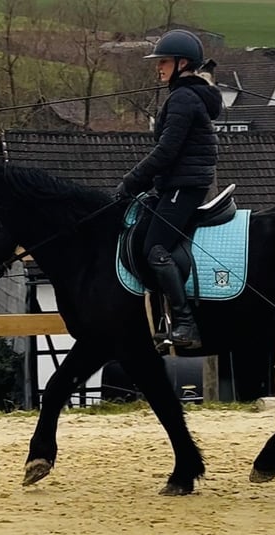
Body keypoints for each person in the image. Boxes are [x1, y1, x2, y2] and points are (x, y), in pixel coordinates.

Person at [115, 30, 222, 350]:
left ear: (182, 63)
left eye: (162, 61)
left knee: (156, 249)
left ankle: (185, 323)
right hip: (176, 183)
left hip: (184, 187)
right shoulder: (184, 94)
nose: (157, 68)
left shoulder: (183, 98)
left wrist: (130, 181)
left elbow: (166, 152)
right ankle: (162, 321)